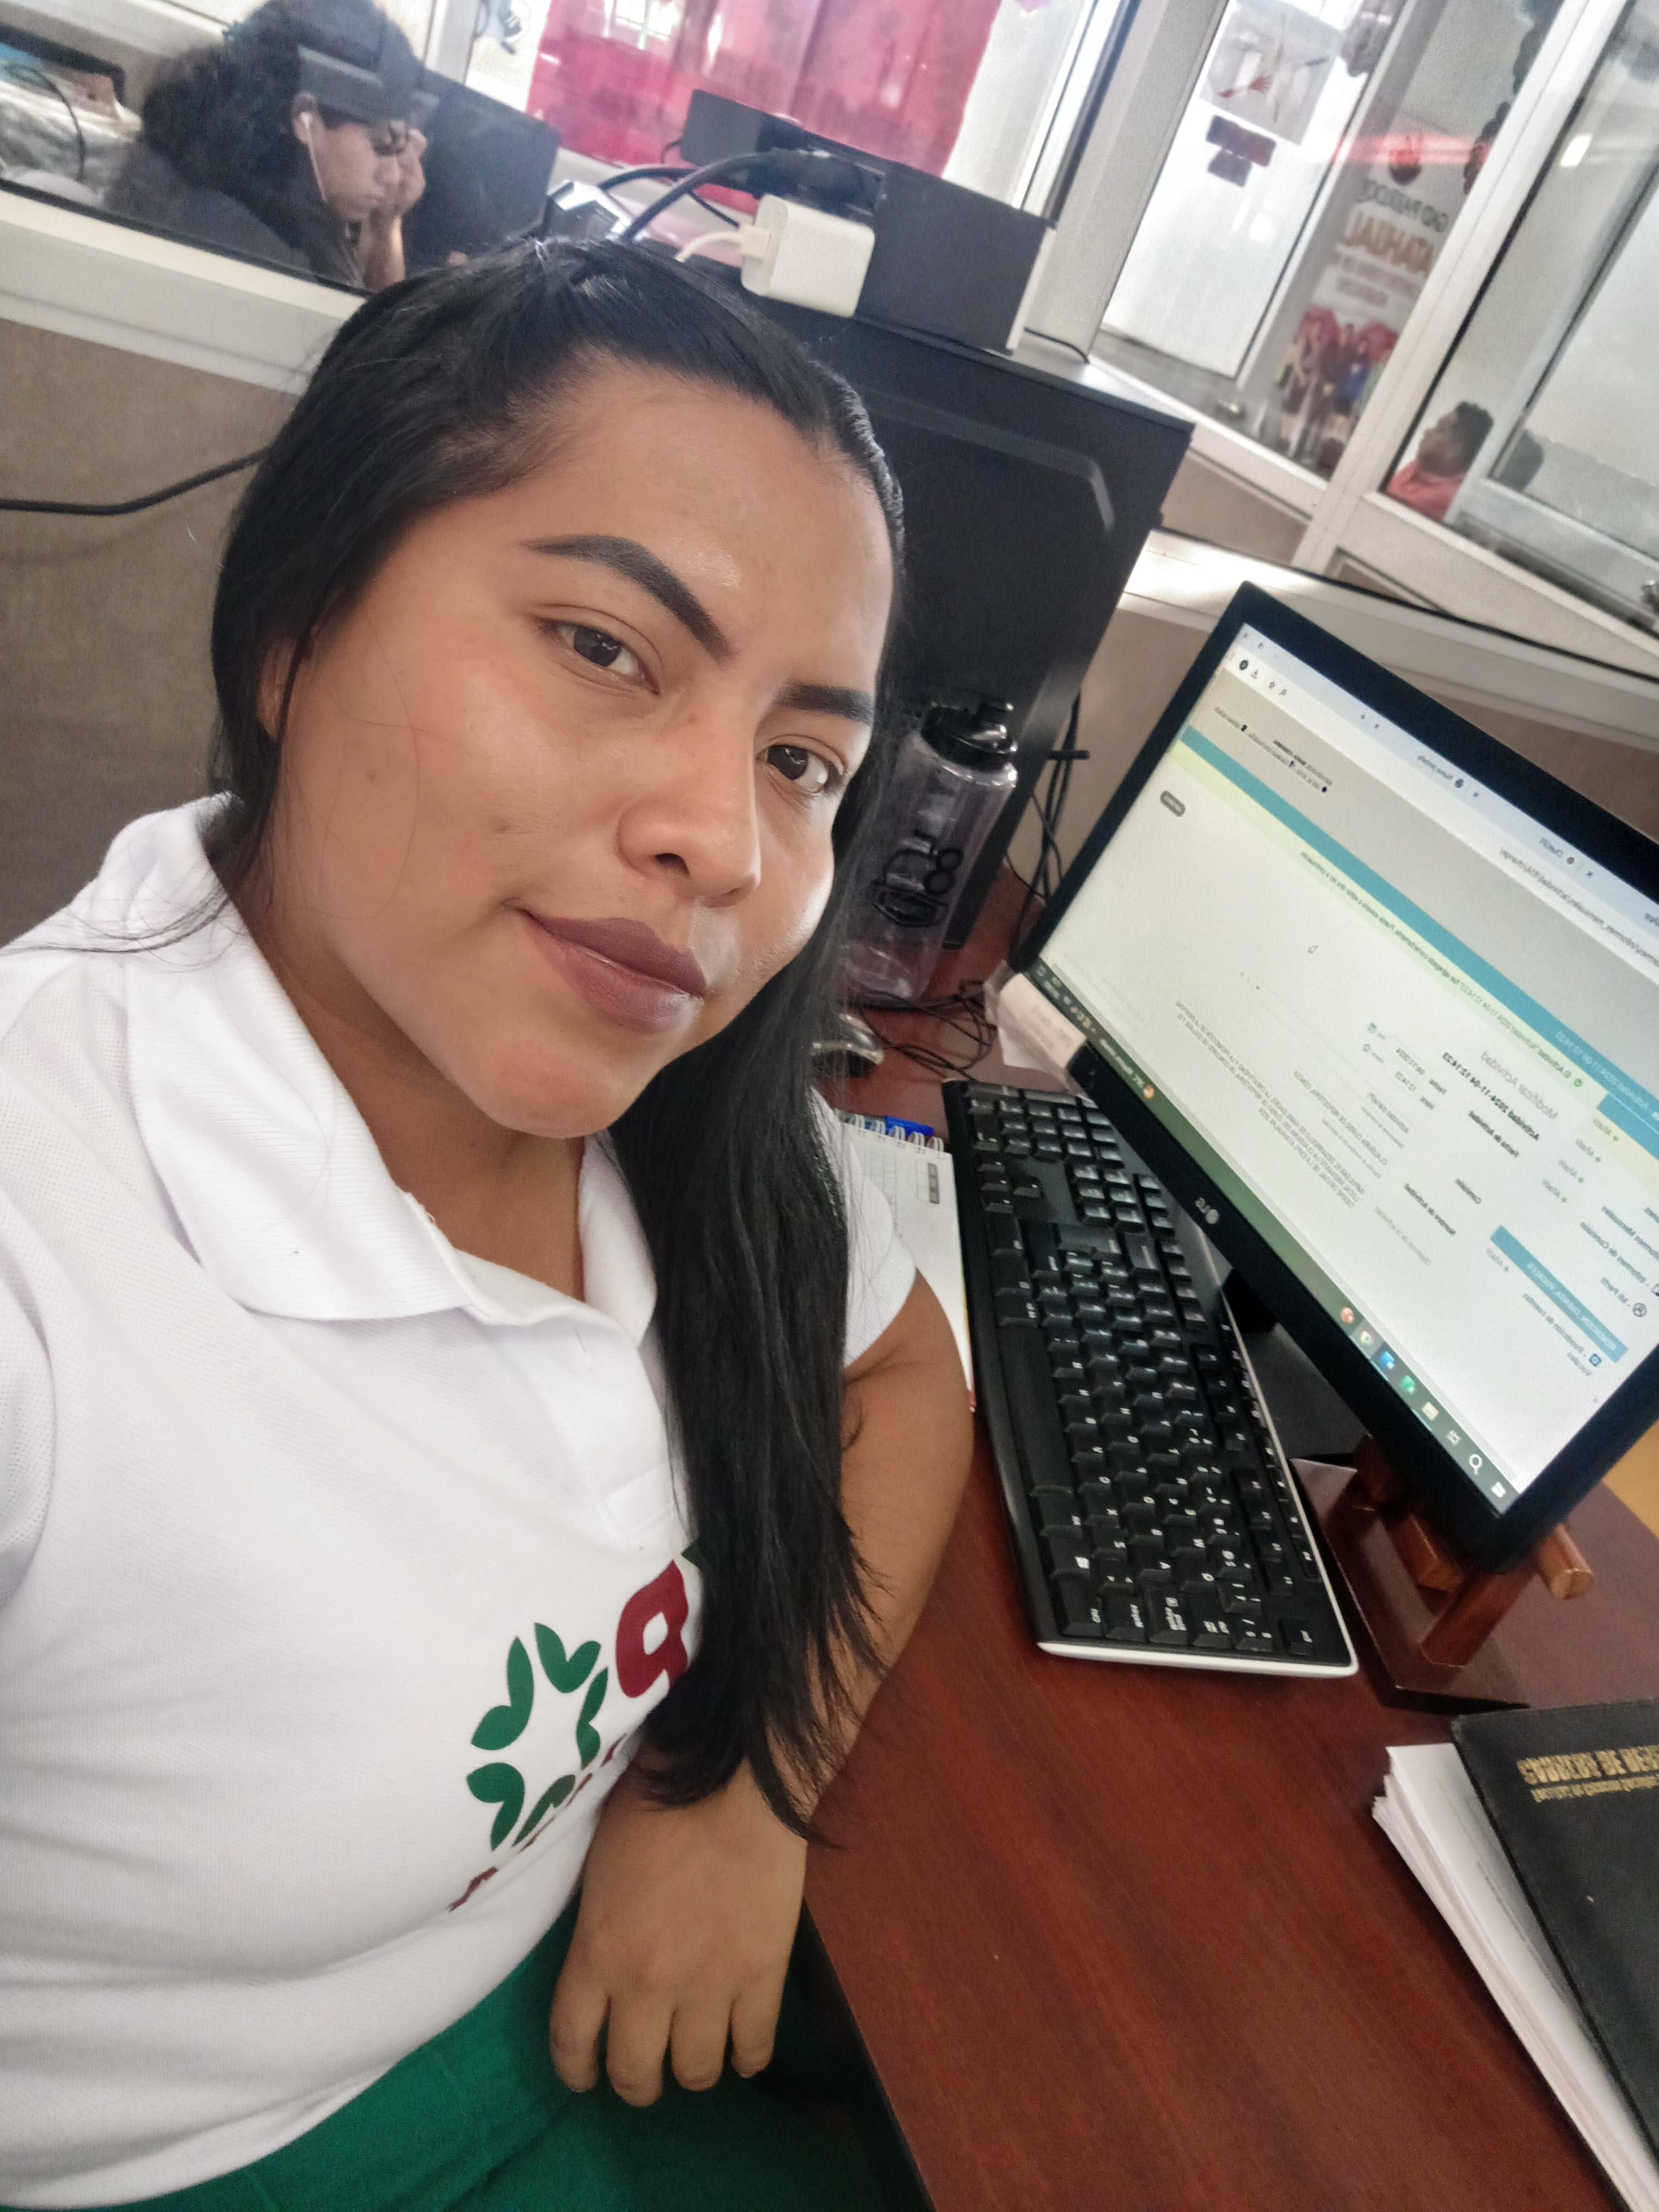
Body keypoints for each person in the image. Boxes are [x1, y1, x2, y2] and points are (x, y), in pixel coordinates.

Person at [0, 241, 973, 2208]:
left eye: (801, 758)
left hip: (574, 1973)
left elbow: (898, 1369)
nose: (723, 837)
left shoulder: (687, 1110)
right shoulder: (52, 1245)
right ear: (295, 628)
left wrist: (739, 1783)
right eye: (605, 647)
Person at [105, 0, 428, 290]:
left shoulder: (210, 170)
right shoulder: (269, 260)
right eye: (383, 144)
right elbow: (374, 338)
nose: (393, 177)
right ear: (305, 116)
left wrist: (386, 227)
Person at [1384, 401, 1495, 523]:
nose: (1427, 432)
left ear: (1454, 450)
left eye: (1440, 429)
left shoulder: (1449, 497)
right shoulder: (1426, 466)